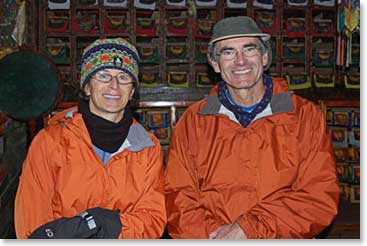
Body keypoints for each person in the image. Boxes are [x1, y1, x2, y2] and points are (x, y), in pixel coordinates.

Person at [164, 16, 339, 239]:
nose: (240, 61)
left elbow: (319, 196)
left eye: (249, 49)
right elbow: (178, 197)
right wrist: (217, 238)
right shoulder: (193, 121)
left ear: (265, 57)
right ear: (215, 64)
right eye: (228, 52)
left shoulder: (304, 116)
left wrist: (249, 230)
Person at [14, 38, 166, 239]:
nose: (114, 86)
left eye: (123, 77)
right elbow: (31, 223)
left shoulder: (148, 148)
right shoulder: (50, 142)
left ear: (132, 92)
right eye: (103, 75)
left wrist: (106, 225)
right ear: (87, 87)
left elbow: (153, 219)